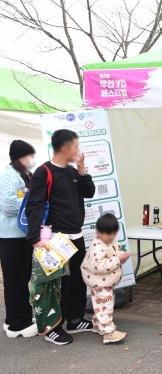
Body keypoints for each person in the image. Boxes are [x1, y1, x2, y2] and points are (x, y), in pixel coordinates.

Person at [26, 129, 96, 345]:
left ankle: (74, 319)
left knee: (76, 281)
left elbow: (90, 192)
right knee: (55, 286)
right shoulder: (43, 172)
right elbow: (34, 205)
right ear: (65, 148)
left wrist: (83, 172)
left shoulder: (72, 171)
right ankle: (52, 327)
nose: (78, 150)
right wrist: (35, 238)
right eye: (75, 146)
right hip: (55, 239)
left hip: (76, 236)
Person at [0, 140, 37, 338]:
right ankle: (17, 325)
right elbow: (8, 205)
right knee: (15, 280)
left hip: (22, 236)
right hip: (10, 237)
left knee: (22, 277)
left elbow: (21, 198)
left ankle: (17, 317)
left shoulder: (22, 176)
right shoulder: (9, 175)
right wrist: (30, 203)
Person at [81, 213, 130, 344]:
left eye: (113, 234)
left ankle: (97, 324)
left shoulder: (110, 241)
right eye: (108, 234)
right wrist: (117, 259)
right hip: (99, 281)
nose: (112, 237)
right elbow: (100, 266)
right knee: (105, 305)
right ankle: (108, 332)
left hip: (105, 281)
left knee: (101, 304)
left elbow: (115, 252)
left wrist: (121, 257)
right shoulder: (97, 246)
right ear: (99, 232)